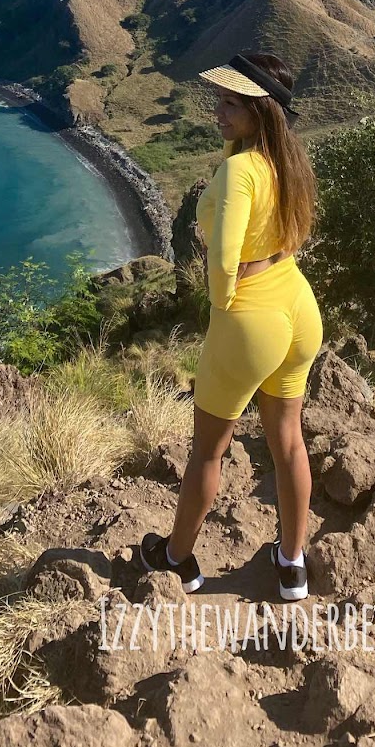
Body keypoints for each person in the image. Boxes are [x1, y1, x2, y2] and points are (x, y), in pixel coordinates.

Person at [139, 51, 324, 601]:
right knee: (288, 444)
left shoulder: (240, 171)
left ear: (258, 112)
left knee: (207, 451)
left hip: (250, 316)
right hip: (296, 305)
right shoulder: (281, 160)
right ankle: (292, 565)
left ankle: (177, 561)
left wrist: (223, 311)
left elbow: (222, 258)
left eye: (230, 105)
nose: (217, 112)